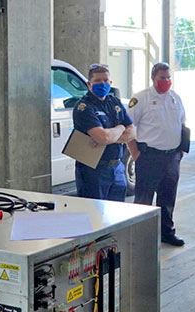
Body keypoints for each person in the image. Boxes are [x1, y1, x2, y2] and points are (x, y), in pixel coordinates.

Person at [126, 62, 187, 246]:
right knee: (144, 199)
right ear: (153, 78)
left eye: (169, 77)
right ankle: (141, 237)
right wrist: (135, 153)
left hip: (171, 157)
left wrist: (181, 150)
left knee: (167, 198)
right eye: (162, 78)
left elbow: (182, 124)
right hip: (148, 157)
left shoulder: (175, 98)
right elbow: (129, 127)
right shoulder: (140, 99)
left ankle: (166, 233)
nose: (166, 81)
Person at [73, 64, 136, 201]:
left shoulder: (114, 102)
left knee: (117, 215)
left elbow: (133, 131)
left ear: (110, 83)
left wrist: (110, 137)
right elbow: (103, 137)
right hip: (93, 170)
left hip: (117, 167)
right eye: (98, 81)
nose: (103, 84)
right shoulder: (84, 107)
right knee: (95, 215)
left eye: (106, 80)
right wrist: (120, 128)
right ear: (89, 84)